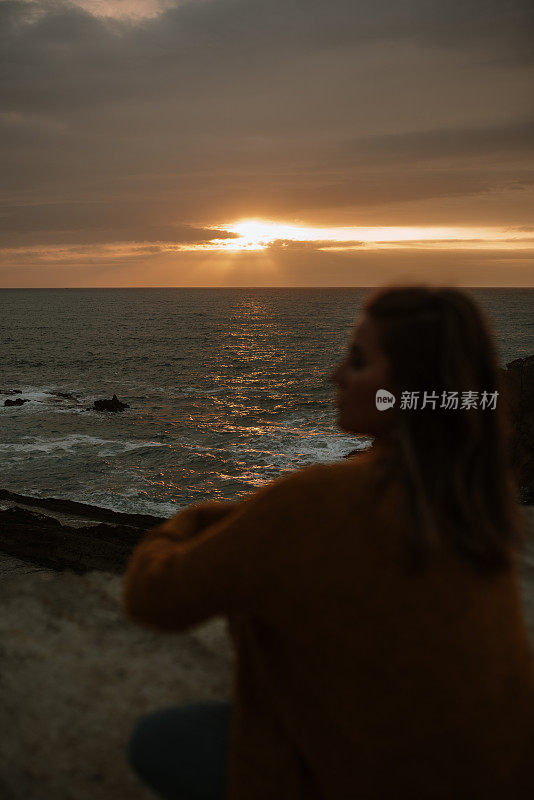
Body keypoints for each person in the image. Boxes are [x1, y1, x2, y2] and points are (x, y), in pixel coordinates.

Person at [123, 284, 534, 800]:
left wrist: (205, 516)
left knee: (159, 739)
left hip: (374, 779)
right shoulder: (474, 499)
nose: (335, 374)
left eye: (358, 361)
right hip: (495, 772)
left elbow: (152, 593)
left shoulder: (320, 501)